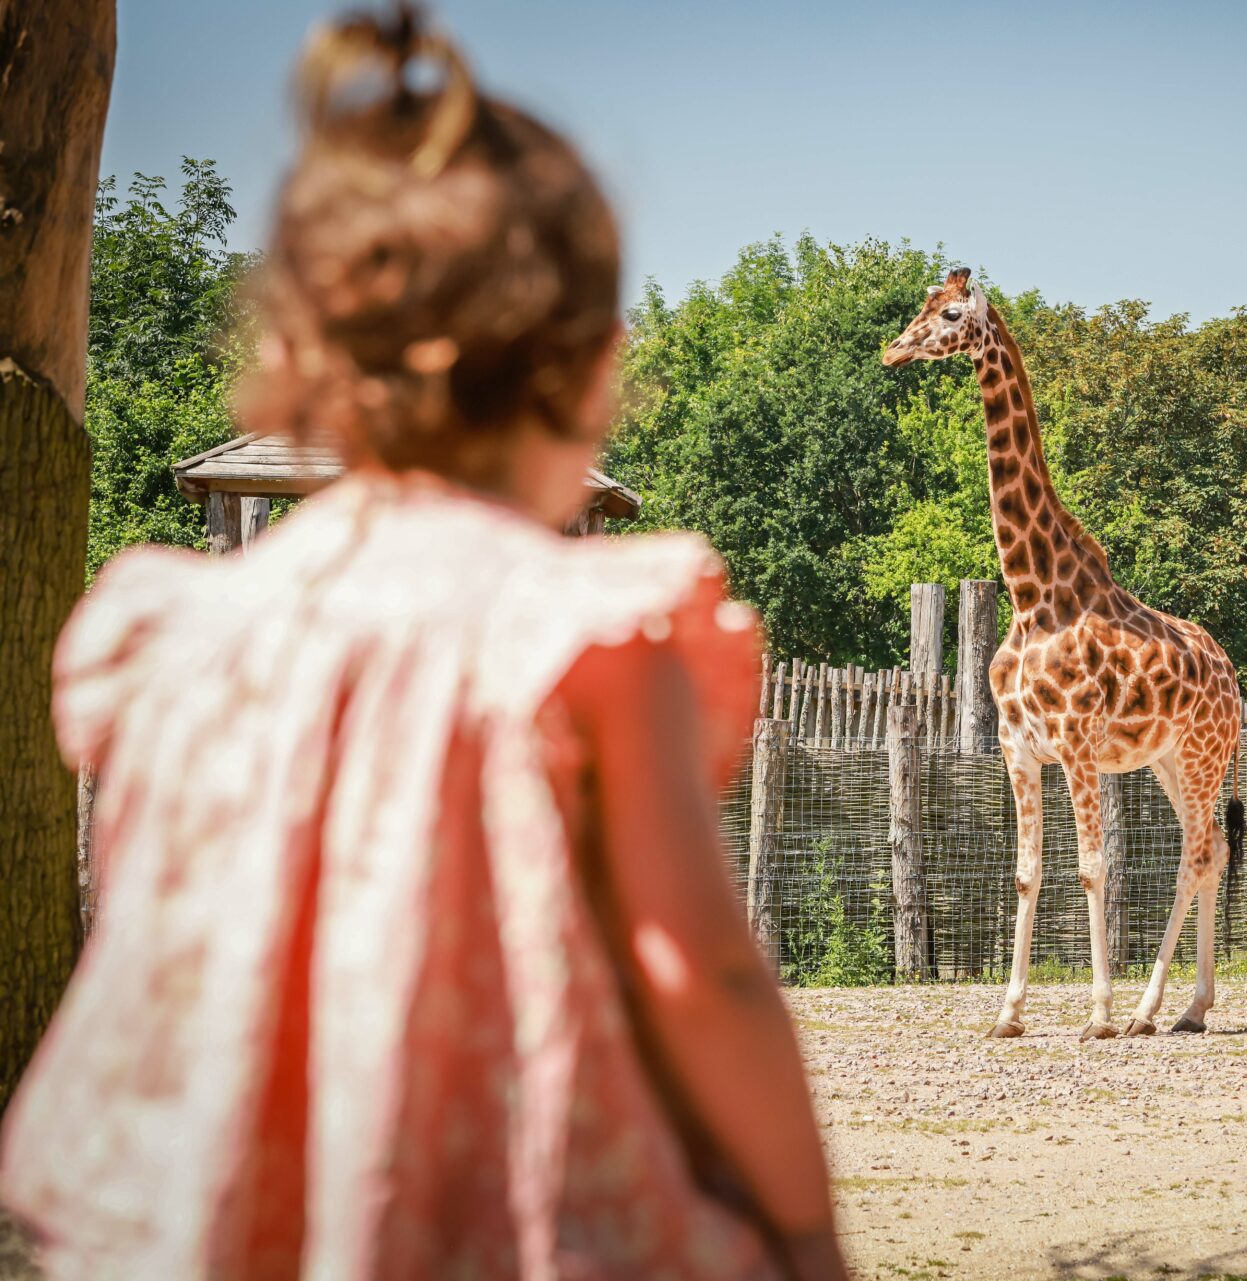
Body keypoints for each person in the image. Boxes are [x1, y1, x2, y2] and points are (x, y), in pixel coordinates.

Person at [0, 8, 846, 1280]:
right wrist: (806, 1232)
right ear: (596, 369)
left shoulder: (174, 637)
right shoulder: (587, 631)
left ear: (294, 350)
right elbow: (705, 974)